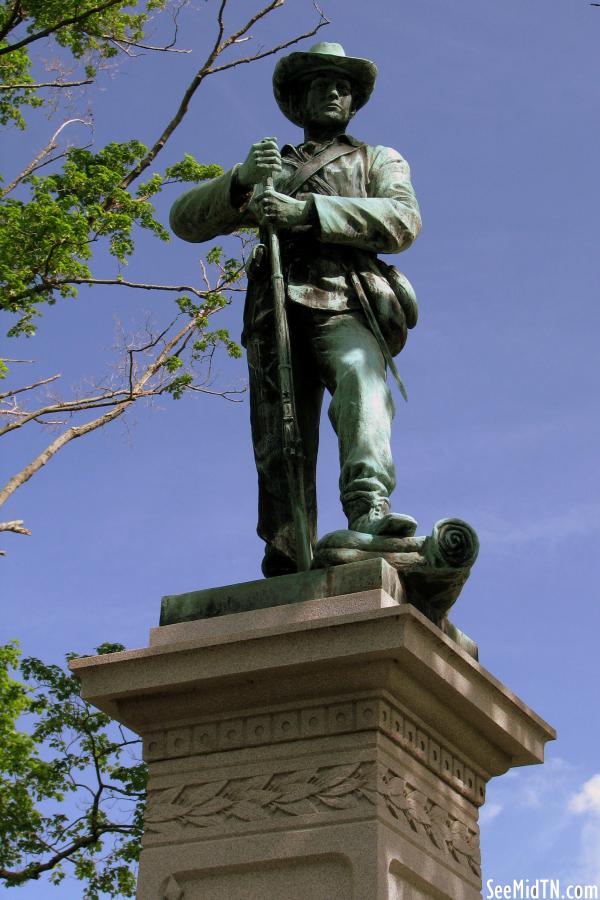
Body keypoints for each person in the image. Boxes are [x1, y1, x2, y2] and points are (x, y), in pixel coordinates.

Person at [170, 42, 422, 577]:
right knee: (281, 437)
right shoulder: (269, 169)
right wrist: (239, 181)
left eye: (342, 86)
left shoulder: (376, 159)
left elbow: (401, 220)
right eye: (320, 83)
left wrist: (306, 210)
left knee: (361, 378)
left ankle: (368, 508)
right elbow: (185, 220)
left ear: (353, 103)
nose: (332, 91)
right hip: (274, 313)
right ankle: (288, 546)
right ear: (298, 100)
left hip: (346, 300)